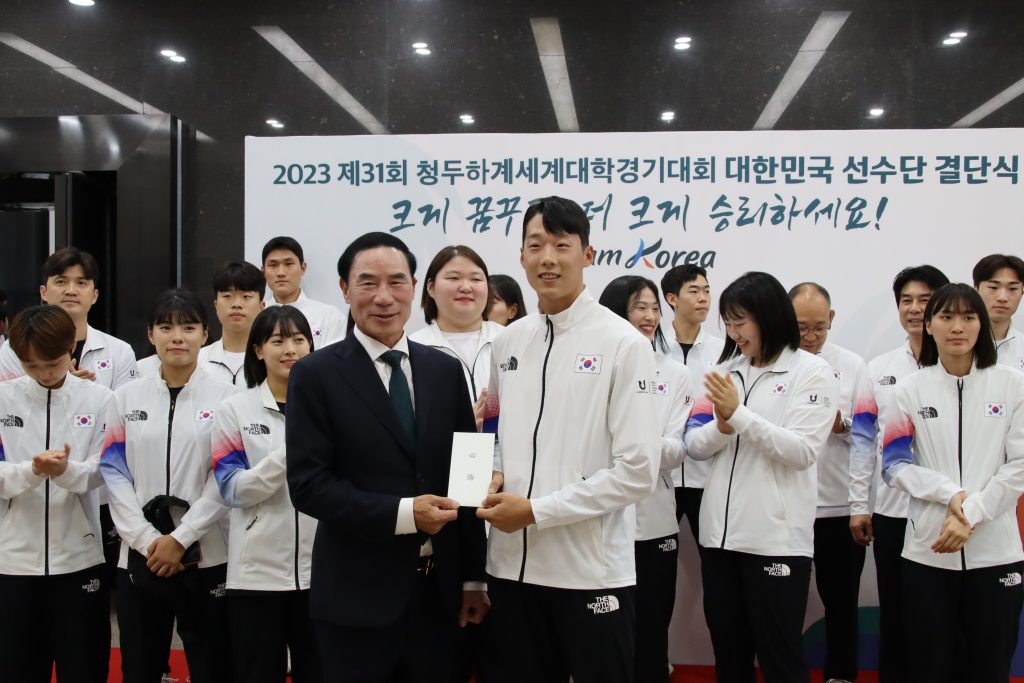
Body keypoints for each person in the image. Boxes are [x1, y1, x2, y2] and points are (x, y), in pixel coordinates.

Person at [286, 232, 488, 683]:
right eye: (367, 283)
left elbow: (468, 476)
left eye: (396, 282)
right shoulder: (315, 375)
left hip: (440, 599)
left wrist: (473, 579)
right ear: (344, 289)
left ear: (415, 287)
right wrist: (405, 514)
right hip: (356, 602)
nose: (384, 297)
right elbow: (308, 486)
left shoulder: (444, 370)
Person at [478, 196, 660, 683]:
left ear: (588, 254)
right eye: (536, 245)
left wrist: (537, 511)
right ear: (521, 256)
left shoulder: (624, 344)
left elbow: (638, 472)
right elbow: (493, 429)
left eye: (562, 245)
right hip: (510, 569)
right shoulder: (507, 341)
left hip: (589, 573)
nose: (548, 258)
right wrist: (491, 472)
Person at [684, 271, 837, 683]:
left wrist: (739, 415)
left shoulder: (812, 371)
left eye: (740, 322)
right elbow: (693, 444)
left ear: (768, 317)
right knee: (730, 658)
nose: (734, 333)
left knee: (780, 658)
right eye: (728, 323)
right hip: (718, 540)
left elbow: (801, 451)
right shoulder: (726, 371)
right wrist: (722, 427)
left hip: (775, 543)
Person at [881, 283, 1024, 683]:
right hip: (929, 551)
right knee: (929, 666)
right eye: (946, 317)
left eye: (968, 317)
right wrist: (951, 494)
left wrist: (971, 512)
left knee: (990, 667)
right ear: (929, 325)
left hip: (996, 553)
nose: (957, 327)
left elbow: (1020, 464)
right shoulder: (910, 389)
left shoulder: (1013, 384)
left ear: (982, 324)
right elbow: (893, 464)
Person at [101, 288, 237, 683]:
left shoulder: (229, 399)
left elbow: (225, 477)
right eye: (166, 328)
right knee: (140, 667)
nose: (177, 337)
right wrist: (147, 540)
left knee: (213, 666)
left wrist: (182, 538)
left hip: (207, 555)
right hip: (141, 556)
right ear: (150, 334)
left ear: (205, 335)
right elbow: (114, 473)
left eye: (188, 328)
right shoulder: (125, 397)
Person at [0, 305, 114, 683]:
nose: (45, 373)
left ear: (71, 348)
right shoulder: (3, 398)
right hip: (12, 562)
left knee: (83, 667)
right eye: (31, 365)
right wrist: (31, 470)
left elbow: (105, 470)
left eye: (53, 362)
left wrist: (66, 471)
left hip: (80, 558)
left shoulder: (100, 399)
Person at [848, 264, 949, 683]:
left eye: (925, 300)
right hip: (891, 513)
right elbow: (862, 442)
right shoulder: (878, 368)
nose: (914, 308)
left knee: (940, 614)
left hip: (945, 512)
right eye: (906, 300)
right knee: (895, 610)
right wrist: (859, 505)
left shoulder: (960, 368)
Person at [212, 305, 321, 683]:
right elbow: (234, 489)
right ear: (258, 350)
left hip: (319, 572)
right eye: (278, 341)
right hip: (255, 573)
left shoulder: (328, 407)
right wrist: (292, 452)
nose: (290, 349)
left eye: (299, 339)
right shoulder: (234, 410)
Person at [599, 275, 693, 683]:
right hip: (599, 518)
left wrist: (634, 444)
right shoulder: (592, 364)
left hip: (655, 520)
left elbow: (675, 449)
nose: (650, 315)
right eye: (640, 306)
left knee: (652, 627)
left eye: (655, 307)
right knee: (605, 635)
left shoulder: (675, 373)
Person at [789, 282, 870, 683]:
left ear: (832, 319)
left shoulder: (852, 365)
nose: (810, 336)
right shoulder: (773, 362)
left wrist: (842, 425)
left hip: (838, 506)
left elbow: (869, 436)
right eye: (801, 327)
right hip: (787, 507)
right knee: (783, 604)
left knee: (841, 601)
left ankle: (841, 674)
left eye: (819, 327)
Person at [0, 246, 138, 387]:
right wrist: (60, 387)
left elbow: (126, 400)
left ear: (94, 295)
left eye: (81, 283)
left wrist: (88, 393)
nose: (71, 291)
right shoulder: (14, 348)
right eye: (61, 282)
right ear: (43, 292)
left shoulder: (119, 352)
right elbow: (8, 397)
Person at [659, 265, 724, 539]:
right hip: (663, 477)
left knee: (713, 555)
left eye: (707, 291)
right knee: (657, 555)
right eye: (694, 291)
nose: (703, 298)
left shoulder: (724, 351)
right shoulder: (653, 348)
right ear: (672, 298)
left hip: (709, 478)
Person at [410, 245, 503, 403]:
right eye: (453, 278)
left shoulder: (509, 339)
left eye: (476, 279)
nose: (466, 287)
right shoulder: (413, 348)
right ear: (431, 287)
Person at [262, 236, 346, 344]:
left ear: (303, 268)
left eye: (288, 264)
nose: (281, 273)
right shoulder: (256, 315)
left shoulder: (330, 317)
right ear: (263, 271)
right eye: (273, 265)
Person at [200, 260, 266, 387]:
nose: (236, 304)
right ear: (216, 305)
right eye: (227, 296)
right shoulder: (197, 361)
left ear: (261, 306)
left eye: (246, 297)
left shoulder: (271, 360)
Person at [972, 253, 1024, 372]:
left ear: (1022, 292)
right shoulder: (957, 343)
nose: (1002, 298)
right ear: (976, 289)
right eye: (993, 287)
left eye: (1012, 289)